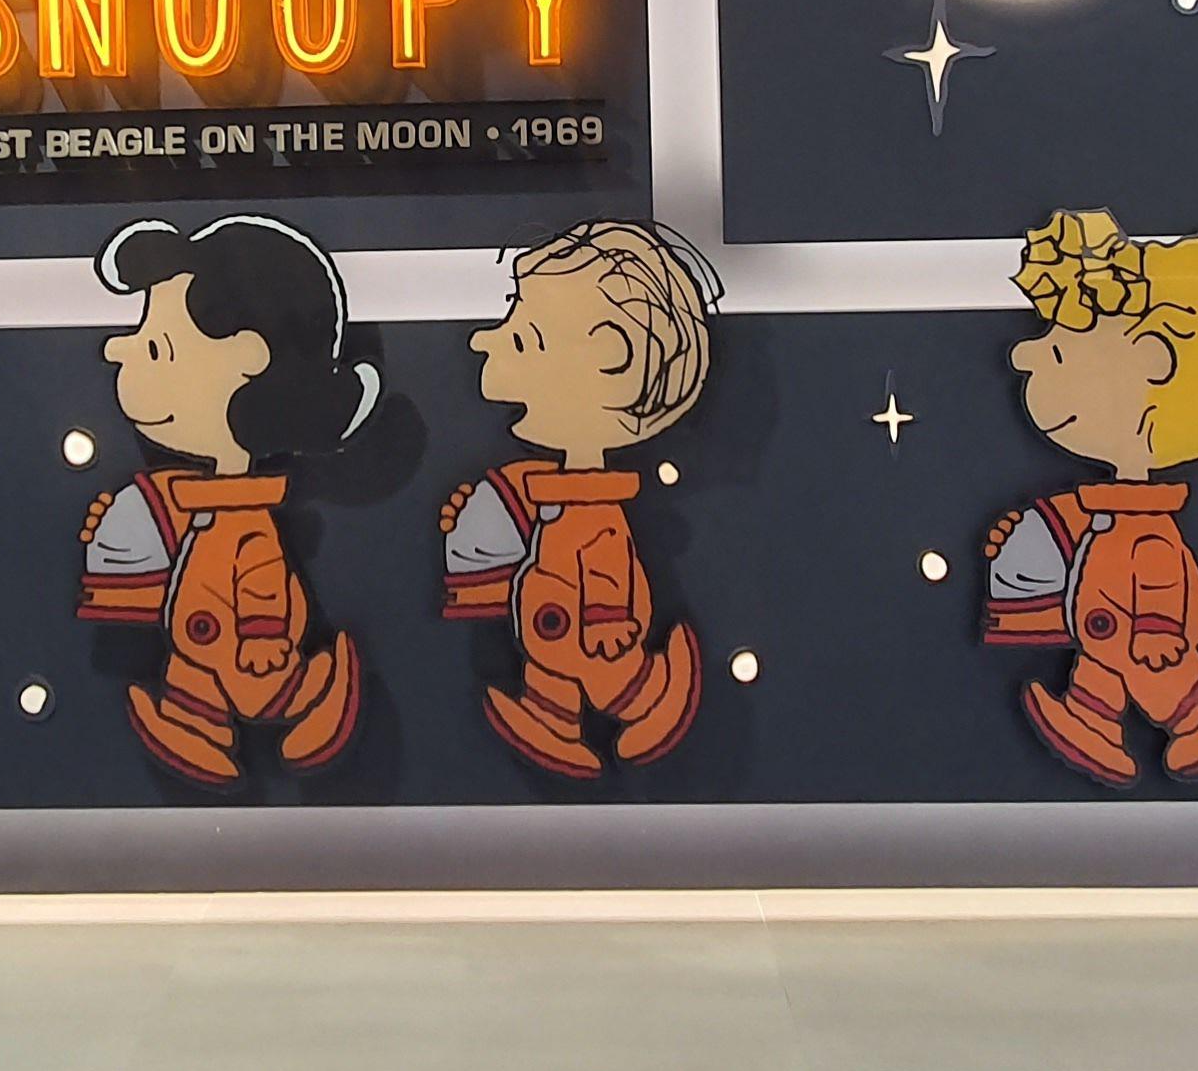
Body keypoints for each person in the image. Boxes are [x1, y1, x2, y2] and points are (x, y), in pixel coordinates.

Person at [78, 215, 377, 784]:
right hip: (200, 638)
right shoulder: (192, 499)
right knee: (198, 679)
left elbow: (264, 575)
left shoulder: (246, 519)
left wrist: (262, 633)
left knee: (268, 687)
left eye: (157, 347)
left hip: (248, 647)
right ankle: (194, 728)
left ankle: (313, 698)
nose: (118, 350)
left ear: (245, 358)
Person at [981, 207, 1198, 787]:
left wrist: (1158, 626)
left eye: (1059, 351)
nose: (1022, 356)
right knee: (1103, 674)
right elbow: (1078, 547)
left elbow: (1159, 574)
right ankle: (1092, 724)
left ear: (1151, 363)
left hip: (1142, 636)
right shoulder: (1112, 513)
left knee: (1160, 683)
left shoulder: (1145, 527)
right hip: (1108, 627)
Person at [444, 219, 719, 778]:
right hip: (555, 625)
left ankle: (650, 701)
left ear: (609, 359)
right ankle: (551, 722)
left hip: (592, 635)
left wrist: (605, 619)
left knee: (610, 677)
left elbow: (606, 563)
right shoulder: (558, 493)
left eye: (523, 338)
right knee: (557, 671)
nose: (482, 340)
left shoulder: (595, 512)